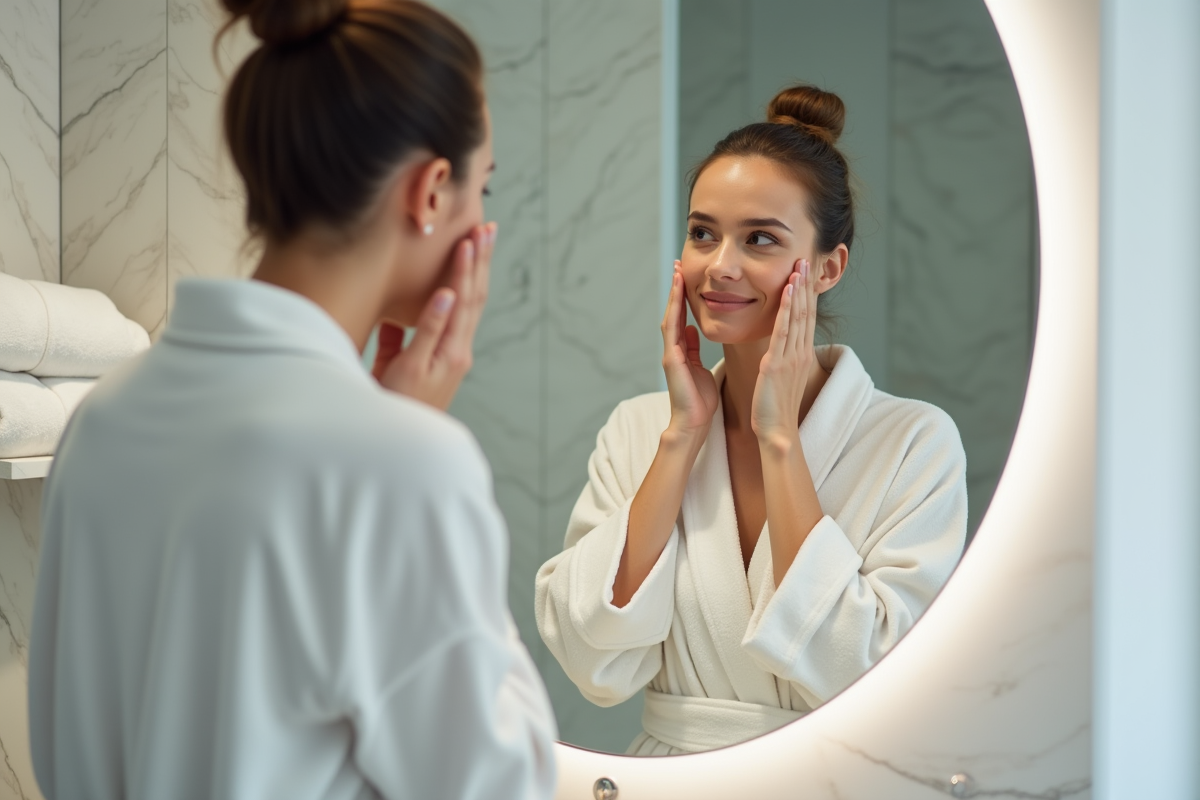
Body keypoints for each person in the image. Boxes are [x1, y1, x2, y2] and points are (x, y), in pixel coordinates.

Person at [28, 1, 557, 797]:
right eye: (485, 186)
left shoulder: (102, 418)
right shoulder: (405, 462)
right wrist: (407, 435)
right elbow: (499, 784)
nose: (483, 221)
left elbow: (60, 747)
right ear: (432, 191)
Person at [535, 85, 968, 756]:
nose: (720, 267)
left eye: (760, 239)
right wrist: (680, 437)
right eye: (703, 232)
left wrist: (780, 440)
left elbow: (873, 669)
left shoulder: (913, 442)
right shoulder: (639, 429)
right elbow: (593, 658)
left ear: (829, 267)